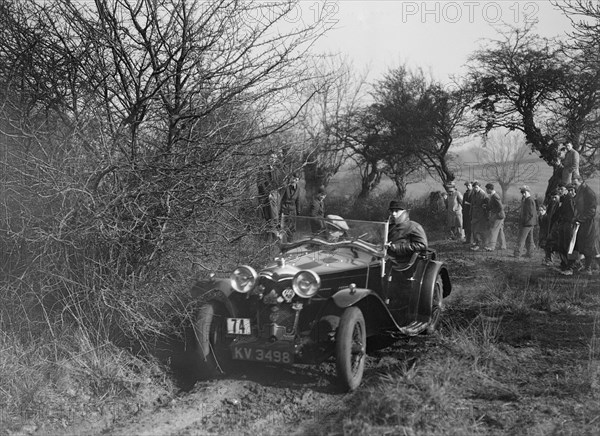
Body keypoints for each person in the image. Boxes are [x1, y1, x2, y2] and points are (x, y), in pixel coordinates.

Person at [571, 175, 599, 274]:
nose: (574, 185)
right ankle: (584, 266)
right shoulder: (580, 191)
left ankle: (588, 269)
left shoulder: (588, 192)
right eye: (573, 184)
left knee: (589, 245)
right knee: (581, 245)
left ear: (581, 181)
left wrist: (580, 218)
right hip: (582, 222)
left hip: (589, 222)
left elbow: (592, 210)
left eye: (575, 183)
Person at [257, 152, 282, 231]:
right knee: (268, 219)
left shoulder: (276, 170)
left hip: (275, 194)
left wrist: (276, 192)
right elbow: (260, 183)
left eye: (275, 158)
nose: (273, 159)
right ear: (267, 158)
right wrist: (268, 193)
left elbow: (278, 183)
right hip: (266, 196)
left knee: (276, 214)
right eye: (271, 157)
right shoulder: (263, 169)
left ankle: (276, 229)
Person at [555, 184, 577, 275]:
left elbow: (573, 213)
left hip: (569, 224)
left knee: (568, 246)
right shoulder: (562, 199)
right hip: (563, 224)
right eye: (559, 189)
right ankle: (564, 265)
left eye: (562, 189)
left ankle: (570, 267)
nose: (560, 191)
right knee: (561, 245)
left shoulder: (570, 199)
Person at [514, 185, 538, 258]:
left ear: (528, 191)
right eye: (522, 193)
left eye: (524, 192)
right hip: (531, 223)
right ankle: (530, 254)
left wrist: (524, 221)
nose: (523, 194)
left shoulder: (529, 200)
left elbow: (530, 213)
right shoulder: (528, 199)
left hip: (527, 223)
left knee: (521, 238)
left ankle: (517, 254)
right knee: (529, 239)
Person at [484, 183, 506, 251]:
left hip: (498, 216)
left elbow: (500, 207)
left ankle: (491, 247)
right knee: (500, 231)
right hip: (500, 216)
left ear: (490, 189)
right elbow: (493, 206)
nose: (486, 190)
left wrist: (496, 214)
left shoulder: (495, 196)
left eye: (487, 189)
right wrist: (487, 206)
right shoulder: (493, 196)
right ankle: (503, 246)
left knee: (493, 230)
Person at [280, 173, 301, 240]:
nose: (295, 181)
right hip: (285, 209)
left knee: (292, 227)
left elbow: (298, 200)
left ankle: (290, 242)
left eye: (297, 180)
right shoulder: (285, 187)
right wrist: (280, 210)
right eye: (294, 179)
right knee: (284, 227)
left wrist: (298, 210)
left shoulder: (298, 188)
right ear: (291, 179)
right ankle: (281, 243)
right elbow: (280, 199)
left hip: (293, 210)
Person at [469, 181, 489, 251]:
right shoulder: (473, 194)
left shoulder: (483, 194)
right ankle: (478, 243)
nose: (475, 189)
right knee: (474, 230)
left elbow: (487, 205)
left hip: (481, 216)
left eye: (476, 187)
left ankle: (481, 244)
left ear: (479, 187)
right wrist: (470, 213)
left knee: (480, 230)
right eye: (474, 187)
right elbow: (472, 204)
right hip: (475, 215)